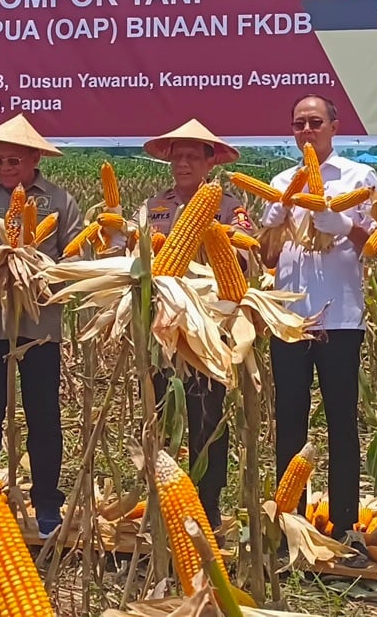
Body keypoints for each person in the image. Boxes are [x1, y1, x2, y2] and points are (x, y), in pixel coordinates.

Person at [258, 95, 377, 565]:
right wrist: (272, 223)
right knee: (290, 421)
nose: (306, 131)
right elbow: (269, 258)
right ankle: (290, 522)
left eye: (315, 122)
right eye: (299, 124)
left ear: (334, 125)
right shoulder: (280, 183)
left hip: (341, 317)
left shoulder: (359, 178)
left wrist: (345, 224)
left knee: (342, 423)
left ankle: (346, 526)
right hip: (289, 318)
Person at [0, 114, 83, 539]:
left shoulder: (60, 201)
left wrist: (36, 271)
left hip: (39, 323)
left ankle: (47, 501)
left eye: (13, 160)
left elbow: (75, 258)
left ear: (34, 160)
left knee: (43, 414)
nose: (5, 168)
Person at [138, 118, 254, 528]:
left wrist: (214, 239)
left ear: (210, 163)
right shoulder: (154, 206)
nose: (183, 164)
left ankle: (208, 502)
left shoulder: (229, 208)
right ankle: (163, 499)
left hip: (208, 329)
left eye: (192, 157)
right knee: (160, 414)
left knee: (207, 417)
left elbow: (244, 258)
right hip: (162, 327)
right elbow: (136, 257)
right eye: (178, 157)